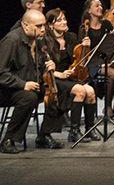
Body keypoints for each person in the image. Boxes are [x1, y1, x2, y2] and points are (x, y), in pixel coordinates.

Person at [0, 10, 65, 153]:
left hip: (31, 85)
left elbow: (40, 67)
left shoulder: (39, 40)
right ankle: (9, 139)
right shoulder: (12, 41)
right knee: (29, 97)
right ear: (25, 25)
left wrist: (49, 68)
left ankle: (44, 134)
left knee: (60, 88)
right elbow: (2, 73)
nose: (43, 30)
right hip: (7, 89)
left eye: (43, 26)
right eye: (38, 26)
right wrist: (23, 85)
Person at [42, 8, 101, 142]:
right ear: (51, 25)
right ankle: (74, 131)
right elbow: (42, 66)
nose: (64, 22)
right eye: (59, 20)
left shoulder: (71, 37)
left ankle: (89, 129)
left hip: (69, 77)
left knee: (90, 91)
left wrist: (87, 48)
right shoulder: (45, 41)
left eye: (64, 19)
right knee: (80, 90)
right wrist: (59, 74)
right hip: (54, 78)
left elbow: (81, 59)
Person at [78, 0, 114, 119]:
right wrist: (101, 63)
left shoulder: (107, 24)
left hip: (109, 59)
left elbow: (112, 44)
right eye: (96, 6)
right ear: (89, 10)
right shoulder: (84, 29)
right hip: (94, 64)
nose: (100, 8)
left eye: (100, 5)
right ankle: (108, 107)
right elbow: (84, 53)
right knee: (111, 74)